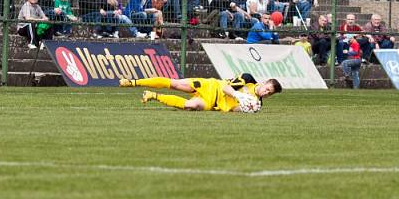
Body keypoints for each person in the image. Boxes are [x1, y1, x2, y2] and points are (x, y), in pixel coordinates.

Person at [119, 74, 282, 112]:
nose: (266, 93)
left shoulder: (257, 104)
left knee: (191, 105)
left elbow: (232, 109)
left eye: (270, 93)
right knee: (176, 84)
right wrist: (239, 95)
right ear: (265, 82)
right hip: (211, 86)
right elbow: (225, 86)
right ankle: (132, 82)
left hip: (214, 103)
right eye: (267, 88)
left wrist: (244, 109)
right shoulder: (248, 79)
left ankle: (153, 95)